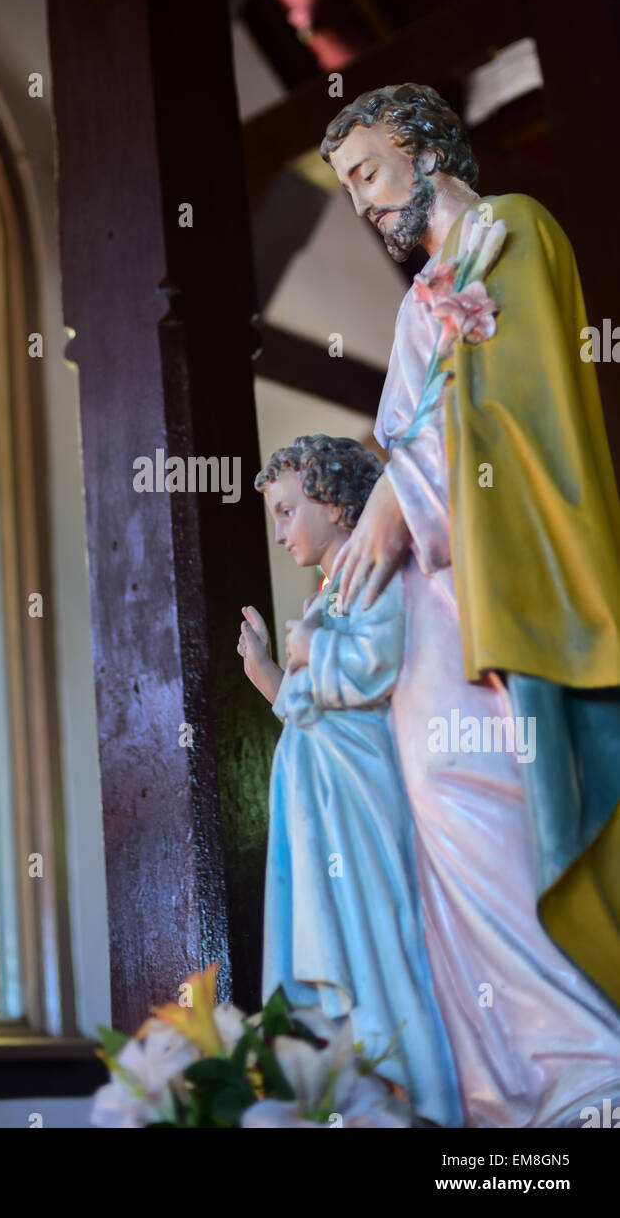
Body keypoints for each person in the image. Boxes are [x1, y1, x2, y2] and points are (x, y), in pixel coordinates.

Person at [320, 83, 620, 1126]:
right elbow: (403, 433)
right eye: (347, 185)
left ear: (423, 147)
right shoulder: (415, 306)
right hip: (433, 614)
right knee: (441, 812)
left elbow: (515, 393)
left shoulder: (512, 229)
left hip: (503, 587)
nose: (360, 201)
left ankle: (585, 1068)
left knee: (500, 802)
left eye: (365, 171)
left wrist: (399, 504)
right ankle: (505, 1088)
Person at [239, 433, 463, 1128]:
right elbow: (314, 708)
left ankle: (423, 1105)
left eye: (285, 510)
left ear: (337, 506)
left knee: (379, 950)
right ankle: (358, 1097)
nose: (277, 531)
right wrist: (271, 675)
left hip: (362, 800)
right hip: (323, 809)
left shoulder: (373, 571)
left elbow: (374, 668)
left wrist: (310, 649)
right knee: (336, 952)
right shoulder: (330, 593)